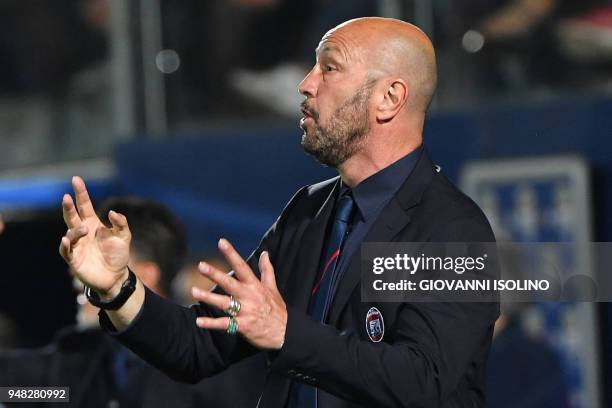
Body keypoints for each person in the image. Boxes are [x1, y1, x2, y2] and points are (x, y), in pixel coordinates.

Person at [60, 17, 499, 407]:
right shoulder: (307, 213)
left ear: (389, 98)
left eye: (329, 68)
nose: (306, 84)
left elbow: (427, 383)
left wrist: (288, 333)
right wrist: (118, 288)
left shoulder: (451, 228)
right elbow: (198, 346)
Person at [0, 197, 203, 407]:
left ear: (144, 275)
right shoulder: (73, 365)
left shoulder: (204, 363)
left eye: (102, 255)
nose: (78, 270)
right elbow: (13, 391)